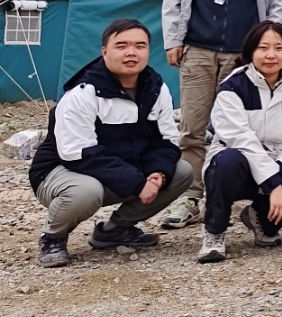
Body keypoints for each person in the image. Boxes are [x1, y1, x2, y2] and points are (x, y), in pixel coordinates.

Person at [160, 0, 282, 229]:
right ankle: (191, 197)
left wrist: (267, 46)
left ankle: (232, 196)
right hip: (198, 48)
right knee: (192, 128)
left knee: (240, 128)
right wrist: (173, 39)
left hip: (243, 56)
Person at [29, 19, 193, 268]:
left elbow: (166, 140)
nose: (131, 52)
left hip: (118, 169)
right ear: (105, 52)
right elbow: (76, 153)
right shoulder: (82, 93)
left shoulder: (156, 88)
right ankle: (53, 237)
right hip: (61, 171)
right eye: (122, 46)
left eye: (140, 46)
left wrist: (158, 173)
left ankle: (115, 230)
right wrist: (137, 183)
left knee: (181, 172)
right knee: (86, 191)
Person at [197, 21, 282, 263]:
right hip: (240, 166)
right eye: (263, 48)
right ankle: (214, 232)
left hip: (279, 163)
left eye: (279, 48)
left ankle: (260, 220)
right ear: (251, 51)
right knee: (227, 161)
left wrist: (280, 171)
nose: (271, 55)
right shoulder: (233, 87)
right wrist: (274, 184)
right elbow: (242, 141)